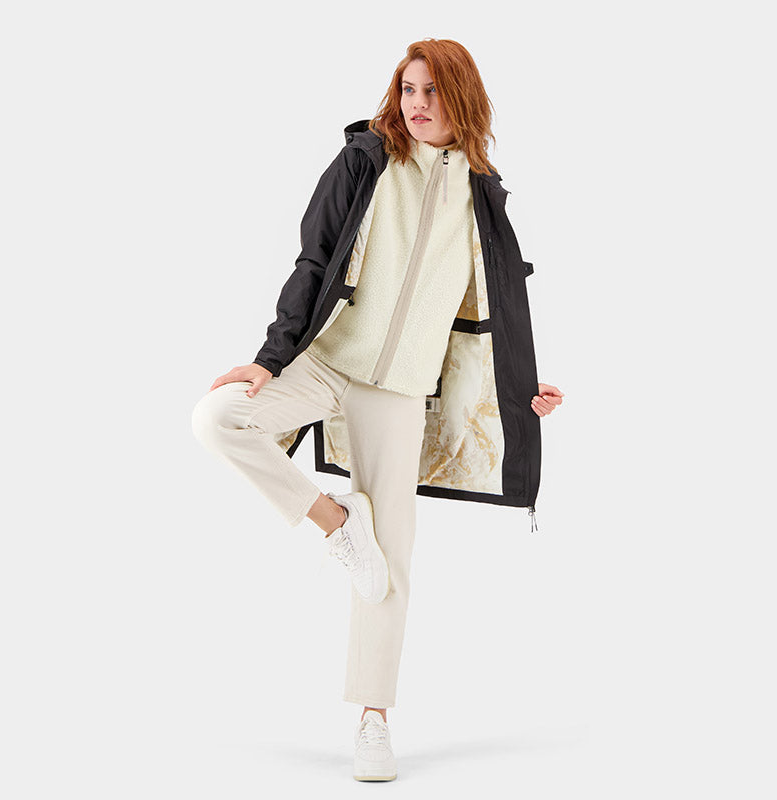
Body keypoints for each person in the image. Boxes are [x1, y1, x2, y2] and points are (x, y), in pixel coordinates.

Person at [191, 38, 564, 782]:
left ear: (462, 99)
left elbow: (497, 306)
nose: (416, 104)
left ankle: (373, 719)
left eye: (432, 91)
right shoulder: (365, 160)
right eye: (408, 89)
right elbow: (312, 259)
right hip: (326, 361)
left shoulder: (483, 195)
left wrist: (522, 389)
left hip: (399, 392)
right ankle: (337, 523)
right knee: (218, 419)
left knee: (390, 563)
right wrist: (269, 360)